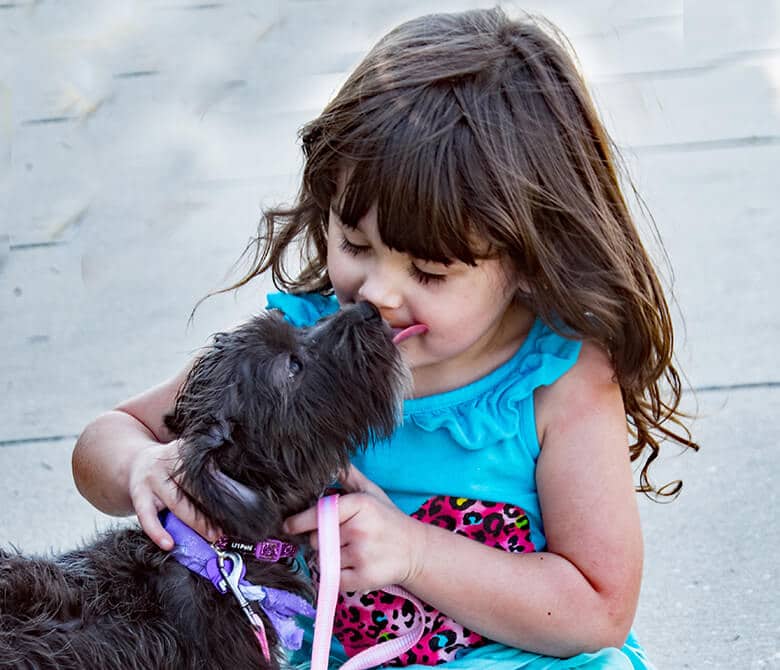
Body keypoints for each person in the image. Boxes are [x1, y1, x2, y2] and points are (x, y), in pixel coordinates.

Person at [72, 7, 698, 669]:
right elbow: (108, 436)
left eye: (428, 270)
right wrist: (139, 468)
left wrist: (417, 553)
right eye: (354, 243)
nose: (378, 293)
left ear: (527, 260)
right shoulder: (302, 347)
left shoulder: (557, 383)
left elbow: (596, 610)